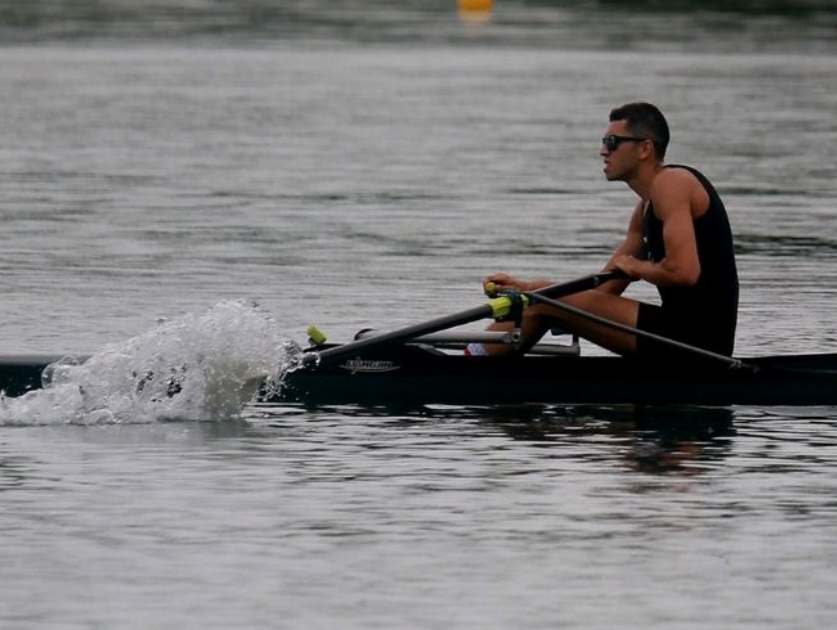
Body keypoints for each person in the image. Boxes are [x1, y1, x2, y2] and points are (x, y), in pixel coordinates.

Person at [473, 102, 738, 359]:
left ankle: (465, 368)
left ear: (645, 148)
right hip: (675, 332)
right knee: (542, 299)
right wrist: (526, 288)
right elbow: (602, 291)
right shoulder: (644, 210)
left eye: (612, 142)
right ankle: (473, 360)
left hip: (700, 343)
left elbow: (684, 272)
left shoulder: (673, 182)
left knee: (543, 298)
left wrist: (638, 268)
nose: (602, 150)